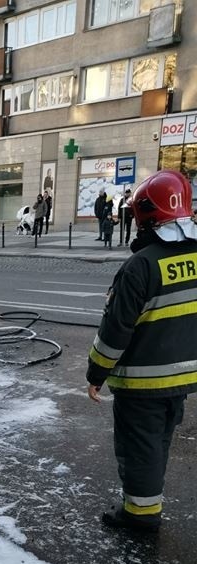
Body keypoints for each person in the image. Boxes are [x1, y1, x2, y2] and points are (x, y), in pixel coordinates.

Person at [86, 169, 197, 531]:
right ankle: (147, 502)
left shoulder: (141, 266)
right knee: (160, 439)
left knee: (141, 447)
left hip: (143, 381)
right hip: (184, 375)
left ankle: (141, 515)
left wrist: (95, 374)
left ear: (148, 215)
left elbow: (115, 332)